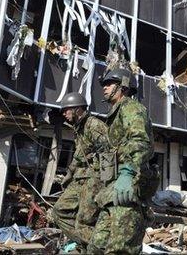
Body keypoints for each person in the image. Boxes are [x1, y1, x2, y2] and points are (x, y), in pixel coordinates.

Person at [88, 68, 157, 254]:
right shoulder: (115, 114)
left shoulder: (130, 107)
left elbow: (140, 141)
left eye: (109, 84)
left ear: (123, 87)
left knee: (120, 249)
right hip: (112, 192)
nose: (104, 88)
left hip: (129, 190)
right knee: (96, 247)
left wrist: (128, 172)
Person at [51, 92, 108, 250]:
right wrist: (69, 174)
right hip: (80, 178)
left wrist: (106, 185)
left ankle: (97, 248)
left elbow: (109, 154)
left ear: (77, 109)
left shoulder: (94, 126)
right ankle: (90, 244)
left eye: (66, 110)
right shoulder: (79, 128)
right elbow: (80, 154)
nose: (64, 114)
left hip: (95, 179)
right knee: (58, 212)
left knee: (84, 220)